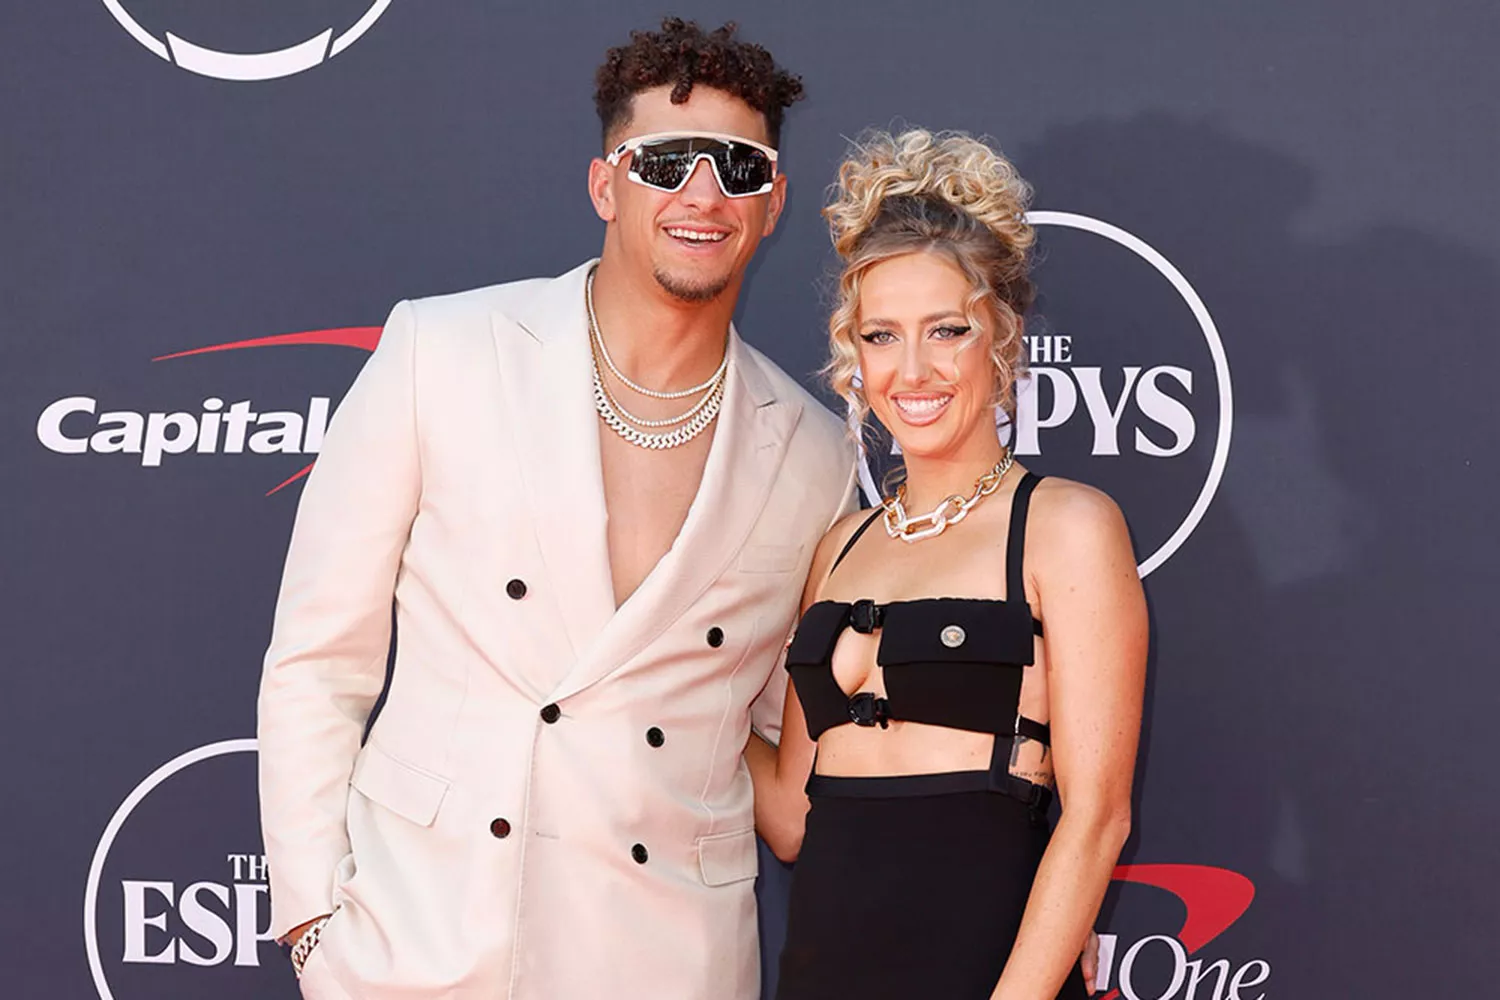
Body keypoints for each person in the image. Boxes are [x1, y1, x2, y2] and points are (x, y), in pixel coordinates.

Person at [256, 19, 857, 1000]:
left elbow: (780, 743)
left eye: (740, 168)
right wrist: (315, 923)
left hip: (670, 956)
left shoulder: (816, 456)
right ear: (605, 185)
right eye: (665, 159)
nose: (702, 194)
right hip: (427, 939)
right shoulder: (441, 352)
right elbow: (319, 660)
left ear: (774, 201)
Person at [746, 128, 1147, 999]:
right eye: (882, 336)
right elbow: (789, 820)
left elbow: (1098, 819)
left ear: (1002, 333)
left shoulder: (1065, 527)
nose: (913, 370)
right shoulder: (840, 548)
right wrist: (654, 671)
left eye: (947, 330)